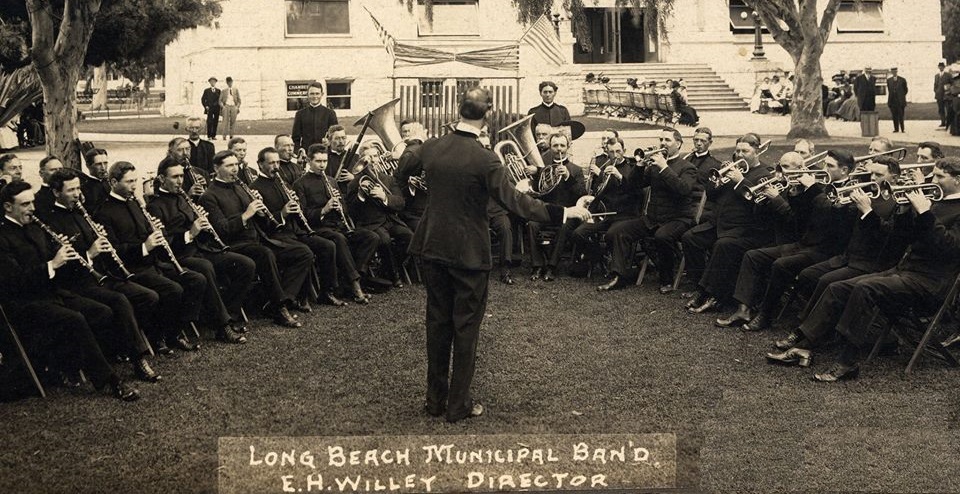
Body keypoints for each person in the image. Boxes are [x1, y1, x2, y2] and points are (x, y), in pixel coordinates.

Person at [409, 87, 590, 422]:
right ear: (487, 115)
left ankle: (435, 401)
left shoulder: (430, 147)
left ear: (457, 109)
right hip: (468, 254)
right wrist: (565, 214)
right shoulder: (485, 157)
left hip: (431, 246)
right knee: (465, 328)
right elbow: (516, 202)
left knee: (436, 324)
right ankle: (458, 405)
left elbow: (401, 172)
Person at [802, 158, 960, 382]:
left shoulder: (944, 208)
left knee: (865, 287)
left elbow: (950, 248)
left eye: (940, 177)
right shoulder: (936, 202)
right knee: (839, 287)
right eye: (933, 175)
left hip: (930, 283)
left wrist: (925, 214)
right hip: (904, 272)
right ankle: (804, 344)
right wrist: (906, 212)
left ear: (957, 180)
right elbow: (901, 239)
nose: (932, 181)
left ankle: (847, 362)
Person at [0, 181, 140, 401]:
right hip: (24, 304)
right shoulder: (3, 237)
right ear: (8, 207)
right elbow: (13, 282)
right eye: (25, 204)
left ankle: (70, 364)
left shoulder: (36, 228)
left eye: (33, 202)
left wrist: (63, 251)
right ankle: (109, 380)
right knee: (74, 319)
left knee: (101, 311)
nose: (32, 209)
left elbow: (53, 260)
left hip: (54, 294)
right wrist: (52, 264)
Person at [719, 150, 855, 332]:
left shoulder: (849, 191)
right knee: (753, 256)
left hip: (825, 249)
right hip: (804, 242)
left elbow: (829, 215)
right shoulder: (821, 186)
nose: (824, 169)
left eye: (830, 166)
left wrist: (812, 188)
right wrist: (796, 192)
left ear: (845, 170)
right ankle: (743, 309)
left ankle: (765, 315)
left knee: (781, 265)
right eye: (825, 164)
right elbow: (800, 219)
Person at [94, 161, 208, 354]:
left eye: (135, 181)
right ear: (114, 182)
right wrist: (145, 246)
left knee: (196, 279)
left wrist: (157, 231)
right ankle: (159, 336)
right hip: (131, 270)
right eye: (129, 182)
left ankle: (175, 330)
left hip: (153, 263)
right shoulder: (104, 212)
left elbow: (150, 234)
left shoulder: (136, 204)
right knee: (173, 289)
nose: (134, 186)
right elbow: (114, 251)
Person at [199, 150, 313, 328]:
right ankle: (279, 308)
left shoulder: (240, 186)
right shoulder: (209, 196)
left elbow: (261, 220)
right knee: (264, 254)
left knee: (303, 252)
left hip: (259, 240)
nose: (235, 169)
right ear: (216, 168)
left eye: (236, 165)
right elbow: (221, 231)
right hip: (234, 245)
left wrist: (261, 212)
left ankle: (283, 299)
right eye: (229, 166)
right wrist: (246, 215)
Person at [147, 159, 256, 343]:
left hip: (201, 249)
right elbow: (164, 245)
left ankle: (229, 313)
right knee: (205, 267)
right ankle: (222, 326)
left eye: (181, 176)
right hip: (179, 256)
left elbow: (200, 231)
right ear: (161, 179)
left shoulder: (183, 198)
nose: (180, 181)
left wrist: (205, 228)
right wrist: (190, 233)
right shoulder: (154, 206)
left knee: (246, 264)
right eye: (175, 177)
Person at [682, 133, 780, 314]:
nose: (740, 155)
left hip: (744, 229)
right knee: (690, 238)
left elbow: (760, 206)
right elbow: (711, 194)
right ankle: (699, 284)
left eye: (745, 151)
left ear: (756, 151)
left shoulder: (763, 174)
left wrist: (740, 181)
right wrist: (718, 180)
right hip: (720, 225)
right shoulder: (734, 169)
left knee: (723, 246)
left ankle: (712, 294)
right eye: (737, 151)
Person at [599, 130, 696, 292]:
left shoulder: (688, 167)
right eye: (661, 139)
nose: (663, 143)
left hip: (678, 218)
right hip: (653, 217)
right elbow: (632, 186)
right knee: (617, 231)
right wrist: (639, 166)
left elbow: (683, 189)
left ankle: (667, 280)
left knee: (662, 236)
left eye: (667, 140)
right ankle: (620, 276)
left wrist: (664, 167)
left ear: (678, 144)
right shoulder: (653, 166)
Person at [251, 146, 342, 308]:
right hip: (275, 236)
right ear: (260, 165)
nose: (276, 167)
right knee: (304, 251)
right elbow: (262, 224)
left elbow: (297, 212)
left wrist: (297, 206)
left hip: (295, 231)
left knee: (327, 246)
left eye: (278, 162)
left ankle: (326, 292)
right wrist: (283, 213)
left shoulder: (282, 182)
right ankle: (292, 298)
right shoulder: (255, 188)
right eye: (271, 163)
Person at [293, 144, 378, 302]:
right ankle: (355, 285)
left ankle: (351, 279)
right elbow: (302, 215)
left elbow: (345, 210)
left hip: (338, 226)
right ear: (309, 161)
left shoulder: (332, 181)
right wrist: (324, 210)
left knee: (371, 237)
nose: (322, 165)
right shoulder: (300, 184)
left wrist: (340, 204)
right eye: (318, 161)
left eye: (324, 161)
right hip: (318, 228)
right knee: (339, 239)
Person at [526, 132, 586, 281]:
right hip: (548, 211)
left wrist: (567, 177)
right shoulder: (544, 168)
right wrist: (535, 175)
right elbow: (537, 191)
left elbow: (583, 195)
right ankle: (537, 265)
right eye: (555, 145)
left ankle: (551, 267)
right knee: (532, 224)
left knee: (564, 227)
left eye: (562, 145)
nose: (559, 149)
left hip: (569, 213)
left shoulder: (576, 170)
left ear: (568, 147)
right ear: (550, 147)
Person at [292, 82, 339, 151]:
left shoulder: (330, 113)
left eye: (317, 93)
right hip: (307, 153)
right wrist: (298, 152)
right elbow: (295, 139)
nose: (315, 96)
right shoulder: (300, 114)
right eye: (312, 94)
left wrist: (329, 142)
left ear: (322, 94)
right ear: (307, 95)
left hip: (325, 152)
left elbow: (336, 135)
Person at [80, 148, 111, 212]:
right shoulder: (85, 189)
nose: (103, 168)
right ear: (88, 166)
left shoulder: (110, 183)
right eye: (99, 164)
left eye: (105, 163)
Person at [886, 68, 908, 133]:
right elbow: (889, 90)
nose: (894, 73)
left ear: (897, 72)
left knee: (901, 115)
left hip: (900, 101)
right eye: (893, 71)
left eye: (895, 71)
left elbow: (905, 90)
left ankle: (902, 129)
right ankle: (896, 129)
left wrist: (901, 96)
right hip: (892, 101)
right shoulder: (889, 80)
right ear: (891, 72)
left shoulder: (902, 80)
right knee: (894, 115)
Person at [935, 62, 948, 128]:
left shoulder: (948, 75)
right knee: (941, 109)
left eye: (942, 66)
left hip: (946, 96)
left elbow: (951, 83)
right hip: (939, 96)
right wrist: (936, 91)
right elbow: (935, 85)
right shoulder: (936, 76)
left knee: (947, 109)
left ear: (944, 67)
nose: (941, 67)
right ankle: (943, 122)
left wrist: (948, 91)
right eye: (939, 66)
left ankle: (948, 122)